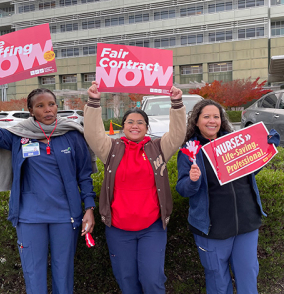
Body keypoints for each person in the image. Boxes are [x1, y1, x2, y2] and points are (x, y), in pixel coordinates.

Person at [0, 88, 96, 294]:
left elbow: (84, 175)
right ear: (31, 110)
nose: (48, 110)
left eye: (51, 104)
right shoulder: (19, 136)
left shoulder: (71, 134)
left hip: (65, 216)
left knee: (64, 272)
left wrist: (89, 207)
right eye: (40, 106)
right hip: (29, 217)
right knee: (33, 273)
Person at [83, 81, 186, 294]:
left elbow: (177, 135)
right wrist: (93, 102)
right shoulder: (111, 149)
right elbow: (93, 134)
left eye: (140, 122)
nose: (135, 125)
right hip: (119, 229)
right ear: (123, 126)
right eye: (130, 121)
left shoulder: (158, 148)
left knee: (152, 281)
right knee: (127, 281)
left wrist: (176, 104)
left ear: (147, 127)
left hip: (152, 228)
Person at [176, 99, 280, 294]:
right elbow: (182, 189)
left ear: (222, 120)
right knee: (217, 281)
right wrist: (192, 180)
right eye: (206, 116)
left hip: (246, 223)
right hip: (212, 228)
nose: (212, 121)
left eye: (216, 116)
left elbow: (250, 172)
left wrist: (266, 149)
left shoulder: (235, 142)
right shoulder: (190, 150)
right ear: (196, 121)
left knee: (248, 276)